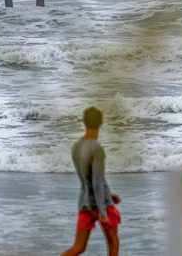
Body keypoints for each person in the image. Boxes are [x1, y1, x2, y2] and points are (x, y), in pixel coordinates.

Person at [62, 106, 121, 256]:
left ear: (84, 122)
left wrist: (109, 194)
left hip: (84, 202)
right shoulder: (96, 148)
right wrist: (102, 211)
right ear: (101, 122)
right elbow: (97, 181)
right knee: (113, 244)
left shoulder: (77, 146)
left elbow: (87, 179)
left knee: (78, 247)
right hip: (102, 204)